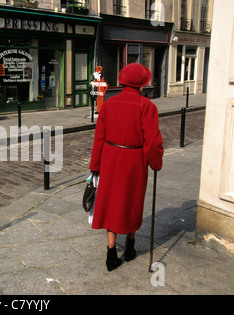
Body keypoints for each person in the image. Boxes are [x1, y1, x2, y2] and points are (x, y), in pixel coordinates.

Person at [89, 63, 164, 271]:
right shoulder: (147, 106)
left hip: (111, 158)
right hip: (134, 159)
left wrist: (95, 165)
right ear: (143, 83)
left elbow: (99, 138)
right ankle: (130, 246)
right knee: (132, 200)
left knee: (112, 202)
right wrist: (156, 163)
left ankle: (111, 253)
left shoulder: (110, 104)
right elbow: (153, 142)